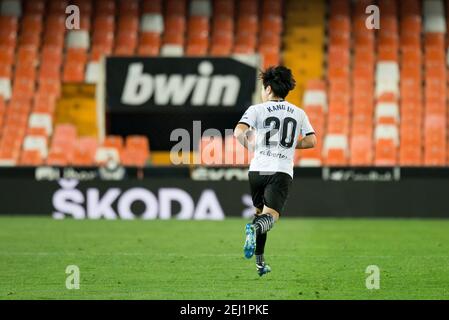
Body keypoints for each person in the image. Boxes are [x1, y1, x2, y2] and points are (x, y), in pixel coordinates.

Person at [233, 66, 317, 276]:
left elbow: (238, 133)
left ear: (268, 88)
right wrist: (288, 145)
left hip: (257, 170)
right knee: (270, 218)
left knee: (260, 214)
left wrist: (251, 147)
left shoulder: (256, 109)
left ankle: (260, 263)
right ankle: (252, 231)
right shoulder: (298, 113)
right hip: (280, 171)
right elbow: (311, 141)